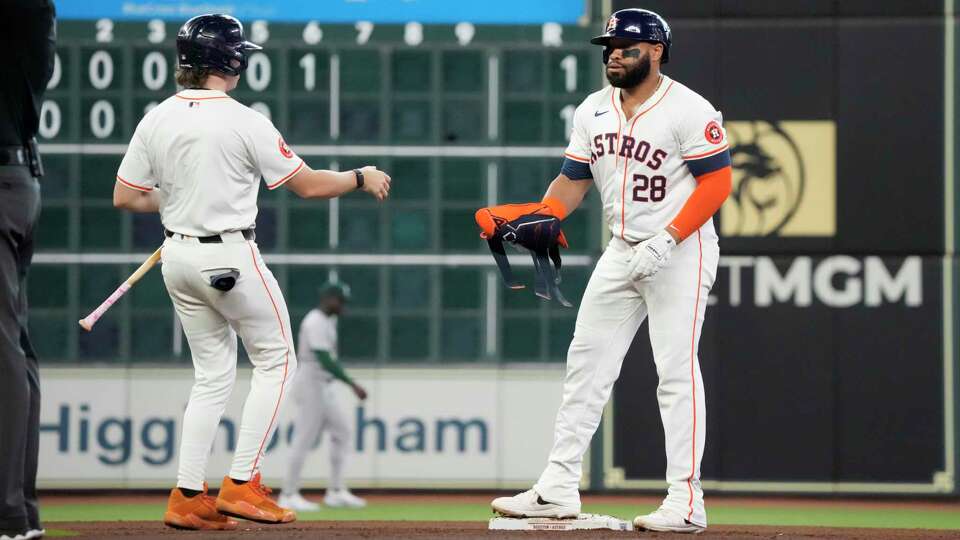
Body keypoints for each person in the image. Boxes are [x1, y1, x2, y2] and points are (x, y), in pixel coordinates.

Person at [111, 14, 390, 531]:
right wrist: (360, 175)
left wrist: (183, 198)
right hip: (230, 257)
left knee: (211, 378)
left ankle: (187, 495)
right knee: (277, 361)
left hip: (177, 258)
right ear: (230, 61)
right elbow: (306, 185)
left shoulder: (156, 119)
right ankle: (242, 482)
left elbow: (126, 196)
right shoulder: (244, 120)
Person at [487, 9, 732, 534]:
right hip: (622, 250)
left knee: (675, 372)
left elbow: (717, 184)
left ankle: (686, 500)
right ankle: (557, 487)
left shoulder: (689, 108)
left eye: (626, 44)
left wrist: (669, 239)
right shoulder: (593, 109)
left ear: (657, 51)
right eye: (609, 44)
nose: (613, 52)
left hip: (680, 249)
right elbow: (572, 180)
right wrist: (540, 217)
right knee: (586, 363)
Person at [0, 2, 55, 540]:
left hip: (4, 178)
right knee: (12, 342)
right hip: (18, 176)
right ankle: (18, 509)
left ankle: (8, 512)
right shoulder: (34, 13)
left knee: (4, 348)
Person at [279, 282, 369, 511]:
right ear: (329, 299)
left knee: (343, 431)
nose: (342, 305)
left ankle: (336, 491)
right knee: (304, 438)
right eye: (340, 300)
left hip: (323, 384)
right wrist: (352, 384)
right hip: (311, 381)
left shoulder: (329, 320)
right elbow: (324, 359)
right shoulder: (315, 321)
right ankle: (288, 494)